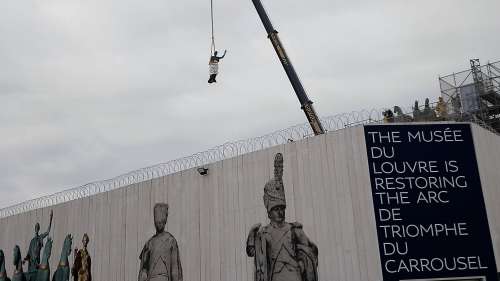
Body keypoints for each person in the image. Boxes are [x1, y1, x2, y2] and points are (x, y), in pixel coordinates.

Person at [246, 153, 318, 281]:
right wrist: (252, 234)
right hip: (275, 276)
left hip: (295, 275)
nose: (280, 212)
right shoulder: (264, 233)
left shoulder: (294, 229)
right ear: (269, 212)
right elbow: (252, 252)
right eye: (275, 209)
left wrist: (302, 264)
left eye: (281, 208)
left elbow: (310, 249)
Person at [138, 203, 182, 281]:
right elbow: (144, 269)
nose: (159, 224)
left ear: (164, 222)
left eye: (161, 222)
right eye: (157, 222)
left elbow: (174, 268)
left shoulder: (170, 240)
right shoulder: (149, 243)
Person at [24, 210, 53, 281]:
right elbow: (29, 252)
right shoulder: (32, 240)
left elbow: (47, 231)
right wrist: (25, 258)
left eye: (37, 227)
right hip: (31, 264)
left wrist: (50, 219)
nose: (36, 228)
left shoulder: (40, 237)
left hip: (37, 262)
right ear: (35, 229)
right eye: (36, 227)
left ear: (39, 229)